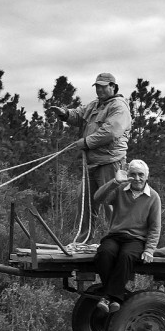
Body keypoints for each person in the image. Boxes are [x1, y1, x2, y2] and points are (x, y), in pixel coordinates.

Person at [52, 72, 132, 236]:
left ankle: (120, 239)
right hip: (92, 163)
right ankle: (84, 241)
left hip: (111, 162)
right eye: (97, 86)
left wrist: (86, 142)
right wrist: (65, 113)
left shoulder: (119, 106)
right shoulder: (95, 104)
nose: (100, 90)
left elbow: (111, 132)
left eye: (103, 86)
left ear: (113, 87)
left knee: (111, 203)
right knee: (86, 203)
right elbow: (79, 114)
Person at [90, 159, 161, 313]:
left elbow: (155, 227)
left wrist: (149, 250)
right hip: (116, 235)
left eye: (141, 175)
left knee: (126, 256)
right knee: (104, 253)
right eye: (133, 174)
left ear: (146, 176)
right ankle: (116, 297)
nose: (137, 178)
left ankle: (107, 297)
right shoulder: (120, 189)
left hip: (136, 239)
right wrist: (115, 181)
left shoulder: (153, 197)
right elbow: (98, 198)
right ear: (128, 175)